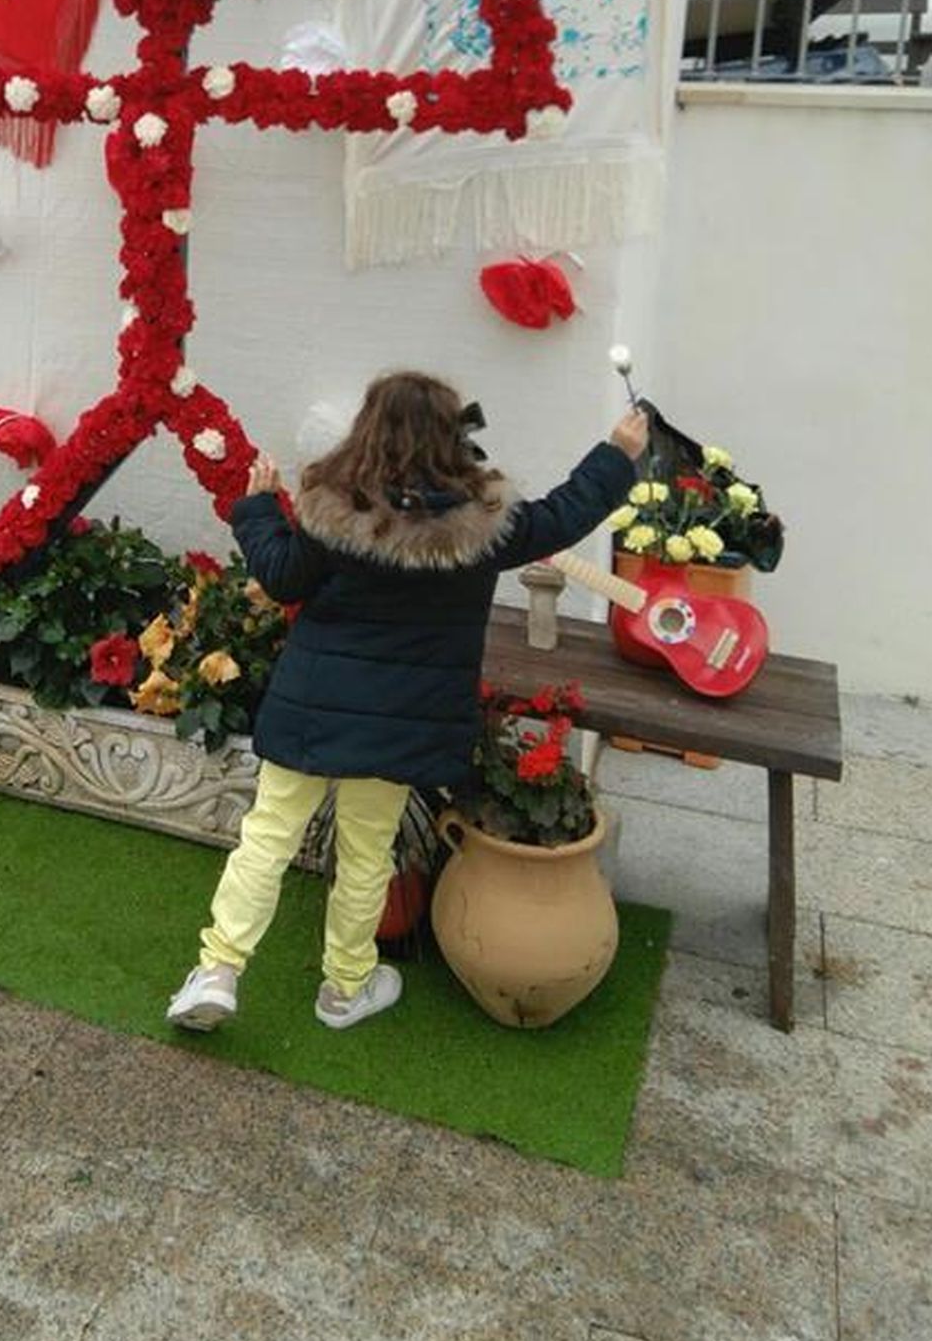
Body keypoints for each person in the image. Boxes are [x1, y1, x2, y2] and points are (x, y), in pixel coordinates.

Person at [166, 373, 648, 1034]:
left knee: (266, 839)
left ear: (368, 427)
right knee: (367, 854)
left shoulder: (333, 508)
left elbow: (280, 577)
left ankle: (218, 970)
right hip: (403, 725)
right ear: (452, 434)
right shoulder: (485, 524)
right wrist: (618, 451)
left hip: (311, 706)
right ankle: (345, 988)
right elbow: (566, 512)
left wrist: (255, 508)